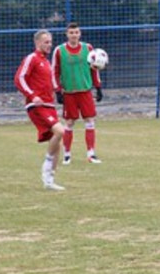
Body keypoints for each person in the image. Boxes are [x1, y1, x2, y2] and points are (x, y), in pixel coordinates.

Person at [14, 30, 68, 191]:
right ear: (37, 43)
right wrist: (32, 95)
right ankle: (46, 164)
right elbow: (19, 78)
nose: (49, 45)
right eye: (46, 42)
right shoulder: (32, 58)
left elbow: (48, 82)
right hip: (37, 106)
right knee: (60, 131)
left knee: (57, 143)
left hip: (49, 105)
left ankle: (49, 180)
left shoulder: (46, 62)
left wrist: (58, 91)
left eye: (50, 42)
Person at [51, 22, 104, 165]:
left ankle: (91, 154)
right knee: (69, 122)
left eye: (76, 32)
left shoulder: (88, 48)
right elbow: (54, 71)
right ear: (66, 34)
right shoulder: (59, 50)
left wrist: (98, 87)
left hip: (85, 91)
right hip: (69, 92)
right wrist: (57, 91)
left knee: (90, 121)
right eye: (71, 33)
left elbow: (94, 69)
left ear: (80, 34)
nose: (74, 35)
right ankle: (67, 155)